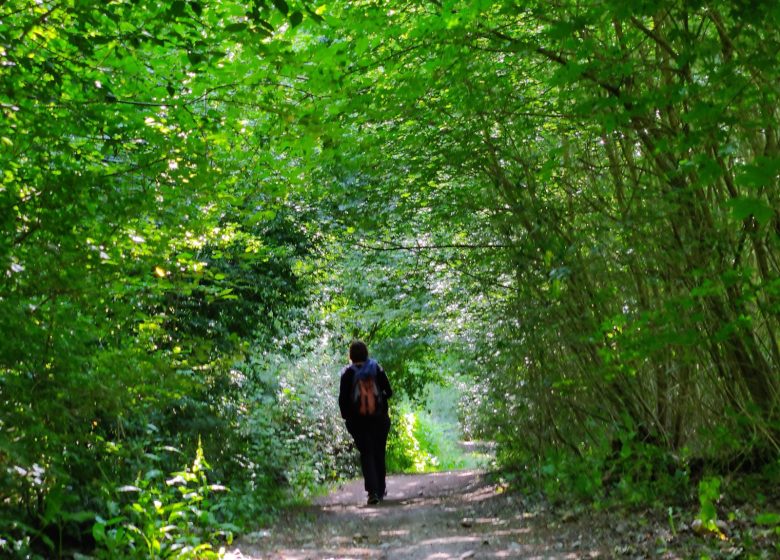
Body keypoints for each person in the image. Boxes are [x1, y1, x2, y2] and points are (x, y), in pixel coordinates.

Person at [338, 340, 393, 505]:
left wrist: (347, 417)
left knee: (366, 453)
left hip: (358, 421)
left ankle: (372, 491)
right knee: (379, 453)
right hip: (379, 419)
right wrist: (380, 402)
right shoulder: (376, 368)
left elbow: (343, 399)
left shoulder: (347, 373)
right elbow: (389, 391)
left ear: (351, 356)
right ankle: (381, 489)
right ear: (366, 353)